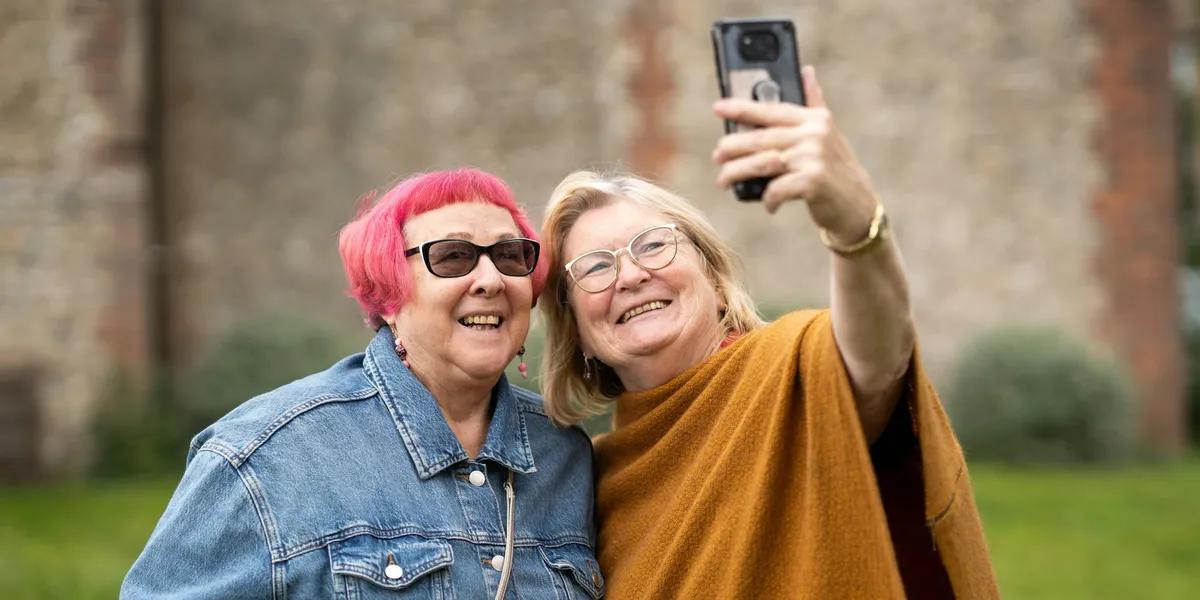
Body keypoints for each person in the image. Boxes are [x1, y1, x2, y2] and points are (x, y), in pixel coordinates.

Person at [538, 66, 999, 599]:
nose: (632, 275)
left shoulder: (790, 369)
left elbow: (876, 361)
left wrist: (855, 227)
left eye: (654, 245)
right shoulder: (592, 482)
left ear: (712, 278)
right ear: (577, 328)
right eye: (595, 267)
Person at [122, 168, 604, 600]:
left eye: (509, 256)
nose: (490, 279)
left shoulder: (566, 456)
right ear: (389, 294)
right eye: (453, 257)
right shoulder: (262, 459)